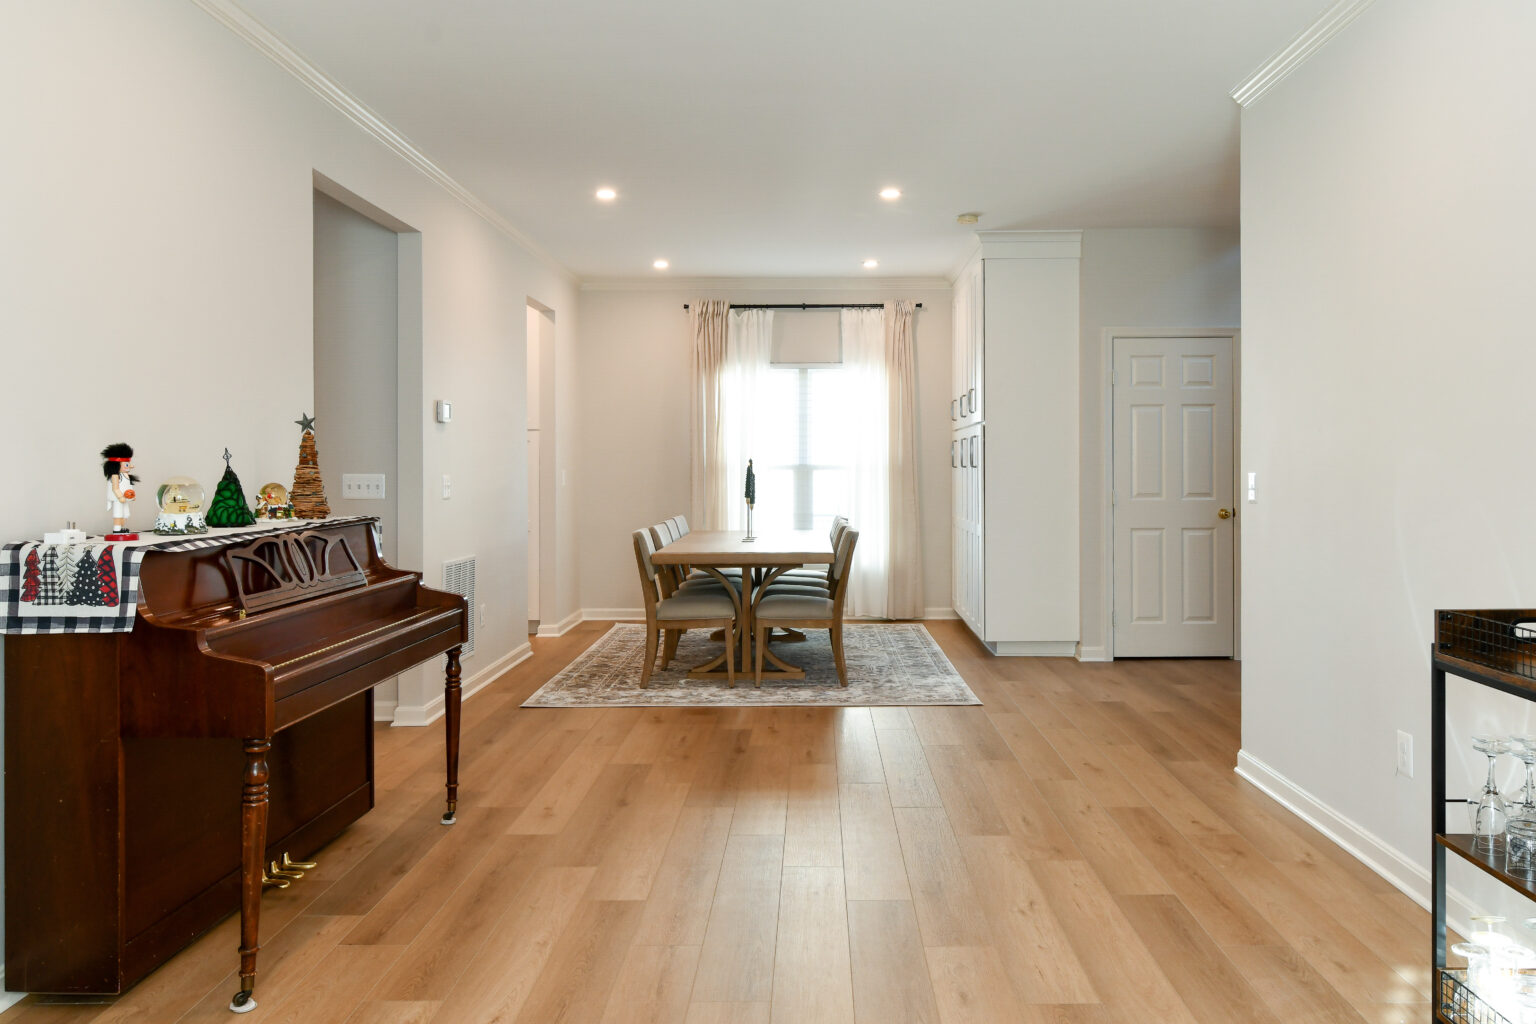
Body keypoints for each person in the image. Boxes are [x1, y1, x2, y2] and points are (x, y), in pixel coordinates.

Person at [101, 442, 138, 536]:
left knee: (126, 514)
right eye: (126, 464)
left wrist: (132, 495)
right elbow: (115, 488)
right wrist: (120, 496)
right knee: (118, 513)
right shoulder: (115, 476)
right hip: (118, 499)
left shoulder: (125, 475)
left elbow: (128, 486)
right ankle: (116, 529)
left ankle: (121, 528)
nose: (130, 466)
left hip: (125, 498)